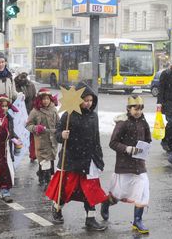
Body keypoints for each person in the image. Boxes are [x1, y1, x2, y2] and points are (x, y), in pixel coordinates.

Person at [45, 83, 107, 231]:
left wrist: (99, 158)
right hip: (71, 159)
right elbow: (57, 134)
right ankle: (57, 208)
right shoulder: (68, 115)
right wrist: (62, 135)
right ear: (78, 100)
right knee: (66, 189)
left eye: (91, 100)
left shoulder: (93, 116)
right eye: (86, 100)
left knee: (90, 191)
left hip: (89, 160)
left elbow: (96, 138)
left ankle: (90, 219)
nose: (89, 103)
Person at [100, 95, 152, 234]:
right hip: (124, 165)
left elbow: (148, 138)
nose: (138, 111)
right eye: (136, 108)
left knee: (143, 190)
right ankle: (106, 202)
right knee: (119, 194)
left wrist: (144, 148)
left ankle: (137, 220)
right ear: (129, 108)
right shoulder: (122, 123)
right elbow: (113, 143)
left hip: (139, 165)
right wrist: (127, 149)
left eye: (141, 109)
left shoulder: (143, 121)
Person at [26, 88, 59, 189]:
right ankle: (48, 183)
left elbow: (58, 123)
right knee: (45, 160)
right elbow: (28, 125)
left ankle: (41, 175)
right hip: (41, 141)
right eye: (43, 99)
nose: (45, 101)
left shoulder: (54, 109)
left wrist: (61, 130)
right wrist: (36, 128)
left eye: (47, 99)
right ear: (39, 100)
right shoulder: (35, 111)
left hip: (52, 141)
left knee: (50, 160)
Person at [15, 72, 37, 162]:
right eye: (21, 77)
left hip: (30, 112)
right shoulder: (14, 85)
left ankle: (33, 154)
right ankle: (16, 154)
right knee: (17, 134)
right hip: (18, 113)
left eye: (24, 77)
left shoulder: (31, 85)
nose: (23, 79)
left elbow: (34, 98)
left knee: (32, 134)